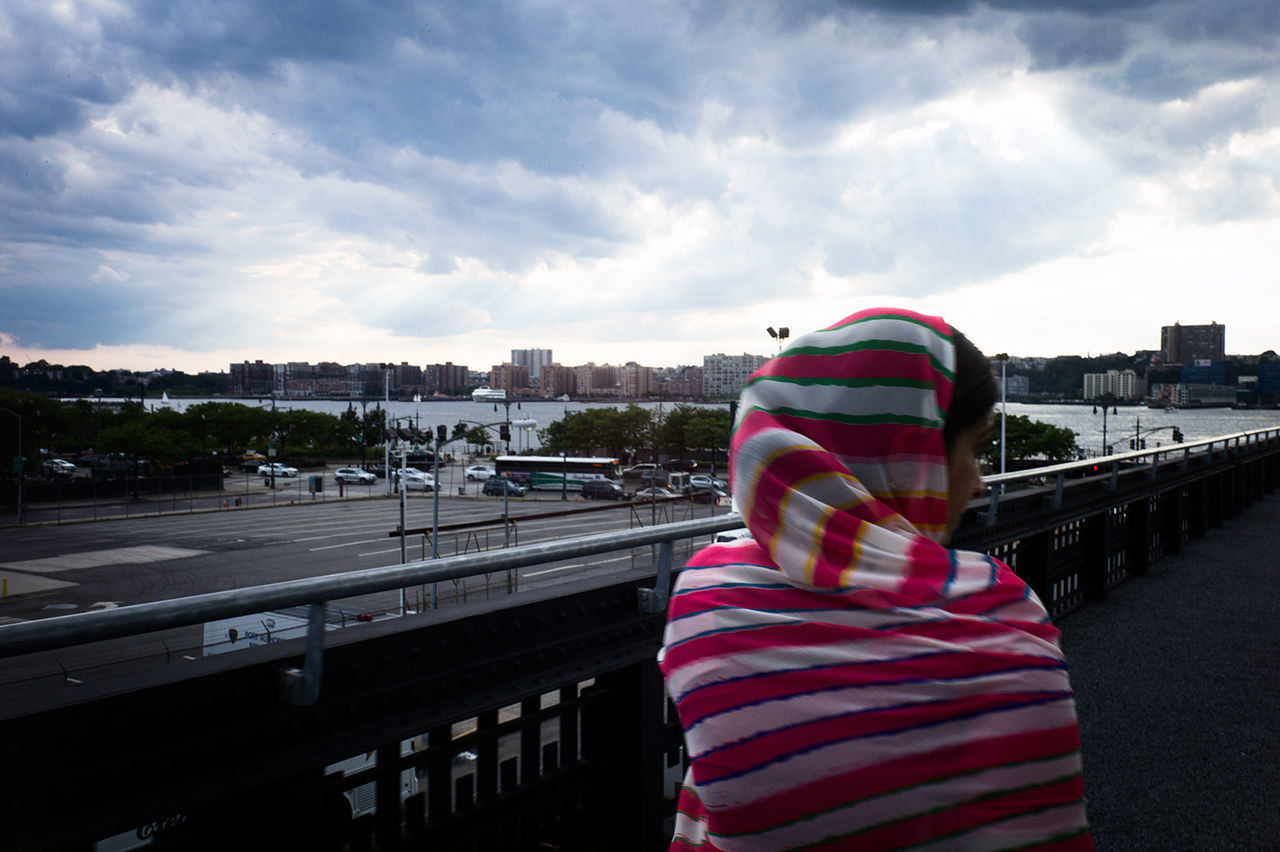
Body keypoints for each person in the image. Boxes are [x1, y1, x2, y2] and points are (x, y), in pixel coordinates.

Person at [659, 307, 1092, 850]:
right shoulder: (999, 612)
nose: (980, 483)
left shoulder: (704, 598)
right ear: (911, 456)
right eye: (975, 449)